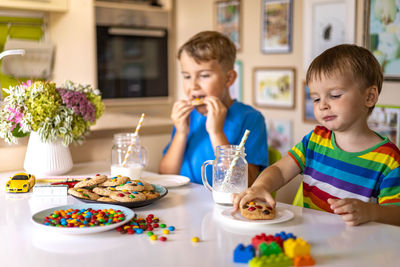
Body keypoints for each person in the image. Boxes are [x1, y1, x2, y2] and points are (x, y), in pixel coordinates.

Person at [233, 44, 400, 226]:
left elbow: (397, 214)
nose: (322, 105)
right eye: (316, 99)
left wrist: (371, 211)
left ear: (369, 97)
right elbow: (280, 171)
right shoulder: (316, 140)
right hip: (309, 239)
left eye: (335, 95)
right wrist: (260, 186)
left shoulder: (389, 159)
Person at [159, 31, 269, 186]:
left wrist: (216, 132)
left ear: (229, 78)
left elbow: (245, 183)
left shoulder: (251, 118)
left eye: (204, 75)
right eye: (187, 76)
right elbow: (165, 175)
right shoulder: (187, 117)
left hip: (224, 205)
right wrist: (181, 133)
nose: (193, 86)